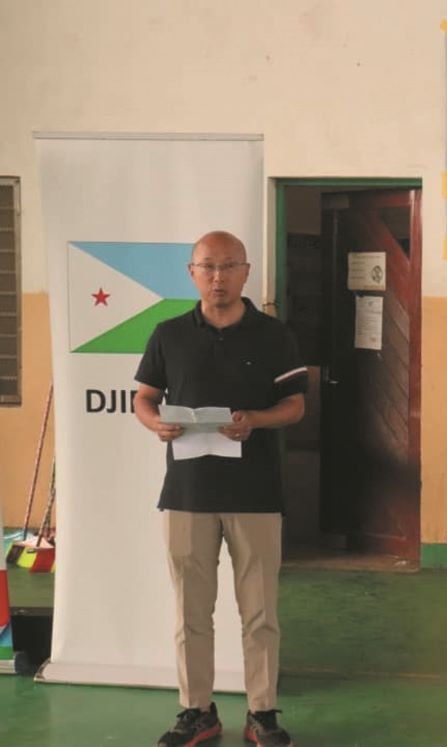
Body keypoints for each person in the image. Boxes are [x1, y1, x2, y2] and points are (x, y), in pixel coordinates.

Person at [134, 230, 307, 747]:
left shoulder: (275, 335)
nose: (218, 277)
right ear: (191, 273)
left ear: (246, 271)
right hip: (186, 494)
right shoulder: (168, 334)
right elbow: (144, 398)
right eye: (208, 267)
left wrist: (254, 418)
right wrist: (155, 424)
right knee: (191, 612)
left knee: (259, 613)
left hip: (255, 494)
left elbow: (296, 406)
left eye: (229, 266)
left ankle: (262, 712)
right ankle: (197, 711)